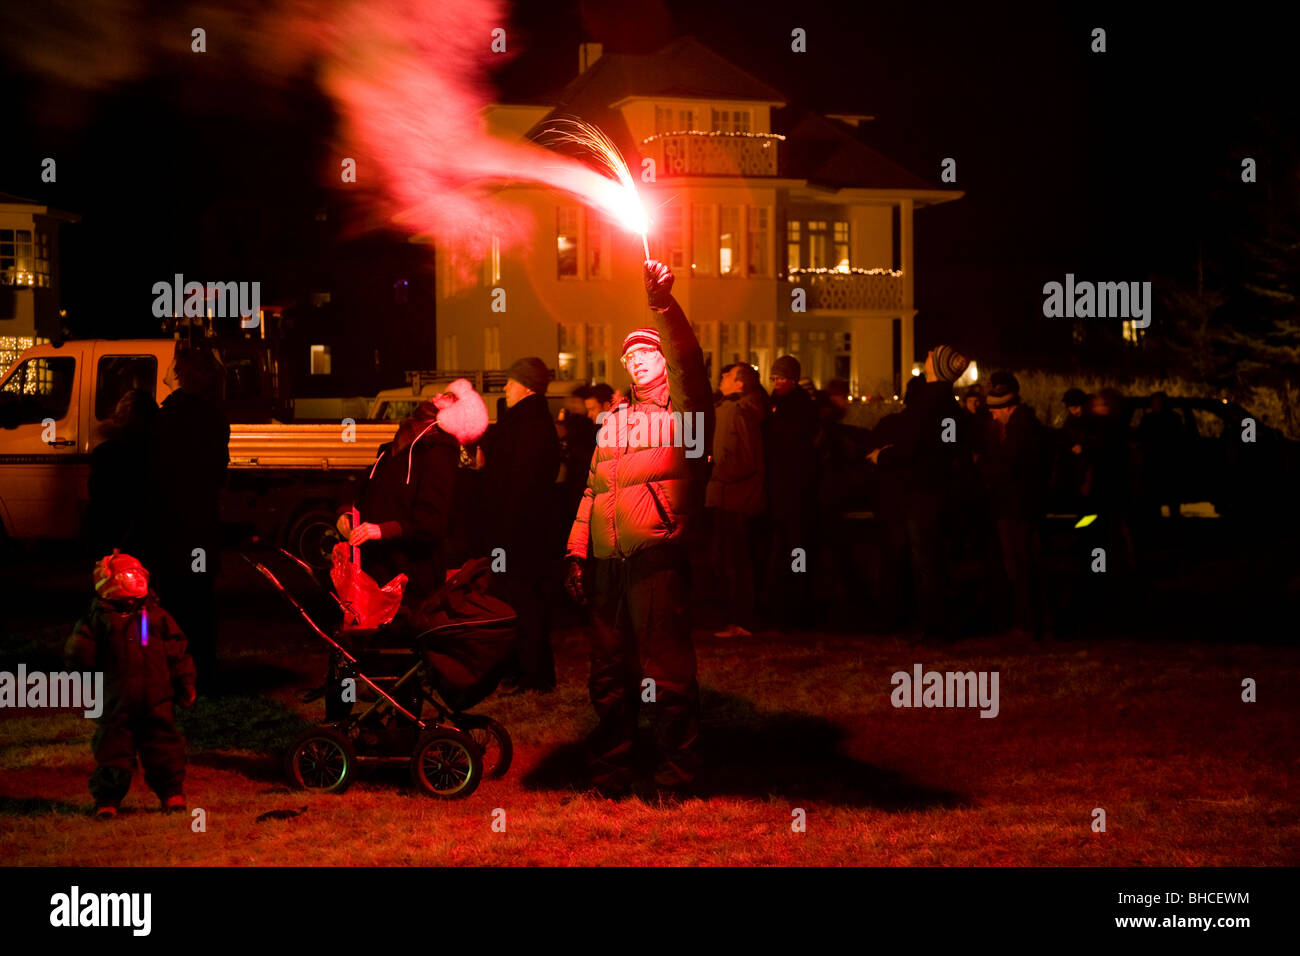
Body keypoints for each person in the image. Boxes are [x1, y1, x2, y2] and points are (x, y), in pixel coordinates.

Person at [564, 260, 713, 796]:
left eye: (647, 352)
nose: (636, 361)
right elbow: (592, 490)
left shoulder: (684, 414)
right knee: (608, 674)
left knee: (666, 673)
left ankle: (677, 776)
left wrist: (663, 306)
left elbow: (690, 365)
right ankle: (610, 774)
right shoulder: (614, 421)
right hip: (608, 563)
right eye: (629, 355)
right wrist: (577, 552)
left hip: (656, 559)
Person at [64, 551, 197, 819]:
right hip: (116, 699)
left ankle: (172, 793)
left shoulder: (156, 616)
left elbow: (177, 652)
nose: (136, 580)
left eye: (138, 574)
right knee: (113, 750)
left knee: (164, 746)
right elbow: (79, 655)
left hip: (157, 698)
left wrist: (186, 682)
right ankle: (108, 799)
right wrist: (80, 657)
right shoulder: (100, 619)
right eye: (128, 575)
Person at [337, 379, 489, 609]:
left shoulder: (439, 450)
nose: (437, 395)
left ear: (457, 412)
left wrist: (382, 530)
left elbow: (433, 521)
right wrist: (347, 512)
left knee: (403, 639)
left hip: (409, 575)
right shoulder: (400, 445)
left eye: (447, 396)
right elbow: (366, 487)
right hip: (382, 567)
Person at [870, 345, 970, 639]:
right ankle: (936, 622)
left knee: (924, 560)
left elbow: (913, 446)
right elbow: (945, 447)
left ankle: (931, 627)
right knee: (934, 558)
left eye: (931, 356)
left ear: (936, 367)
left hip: (919, 492)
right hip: (938, 489)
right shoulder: (950, 407)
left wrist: (882, 456)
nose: (926, 357)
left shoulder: (928, 405)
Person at [145, 347, 229, 692]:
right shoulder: (213, 416)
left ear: (182, 375)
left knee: (177, 600)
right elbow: (217, 471)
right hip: (202, 523)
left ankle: (179, 673)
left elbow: (158, 474)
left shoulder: (171, 416)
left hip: (177, 525)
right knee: (200, 598)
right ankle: (203, 669)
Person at [480, 357, 563, 693]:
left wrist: (504, 532)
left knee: (520, 602)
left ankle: (528, 672)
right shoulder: (527, 420)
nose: (505, 388)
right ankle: (527, 671)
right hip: (522, 531)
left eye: (511, 382)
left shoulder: (528, 423)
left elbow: (520, 482)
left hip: (517, 533)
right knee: (522, 601)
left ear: (526, 385)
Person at [978, 372, 1053, 640]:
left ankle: (1029, 624)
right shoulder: (1024, 427)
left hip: (1017, 507)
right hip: (1018, 506)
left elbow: (1007, 466)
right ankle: (1034, 623)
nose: (993, 417)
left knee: (1021, 565)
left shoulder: (1021, 430)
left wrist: (984, 466)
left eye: (996, 412)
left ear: (1008, 407)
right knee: (1023, 563)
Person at [707, 363, 766, 637]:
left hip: (736, 498)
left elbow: (745, 458)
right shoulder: (731, 409)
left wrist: (714, 472)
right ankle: (736, 618)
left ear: (740, 384)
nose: (721, 377)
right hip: (728, 497)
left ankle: (743, 620)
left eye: (728, 376)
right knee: (728, 561)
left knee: (737, 563)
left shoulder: (741, 413)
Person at [761, 354, 820, 629]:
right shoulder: (782, 405)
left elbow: (791, 448)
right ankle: (789, 604)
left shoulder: (796, 408)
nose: (776, 383)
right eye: (773, 379)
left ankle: (798, 606)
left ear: (793, 380)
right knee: (786, 549)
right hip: (786, 491)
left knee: (795, 549)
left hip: (793, 492)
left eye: (780, 379)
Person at [85, 388, 157, 557]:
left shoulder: (106, 452)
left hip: (110, 537)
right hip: (145, 540)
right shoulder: (158, 452)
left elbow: (96, 494)